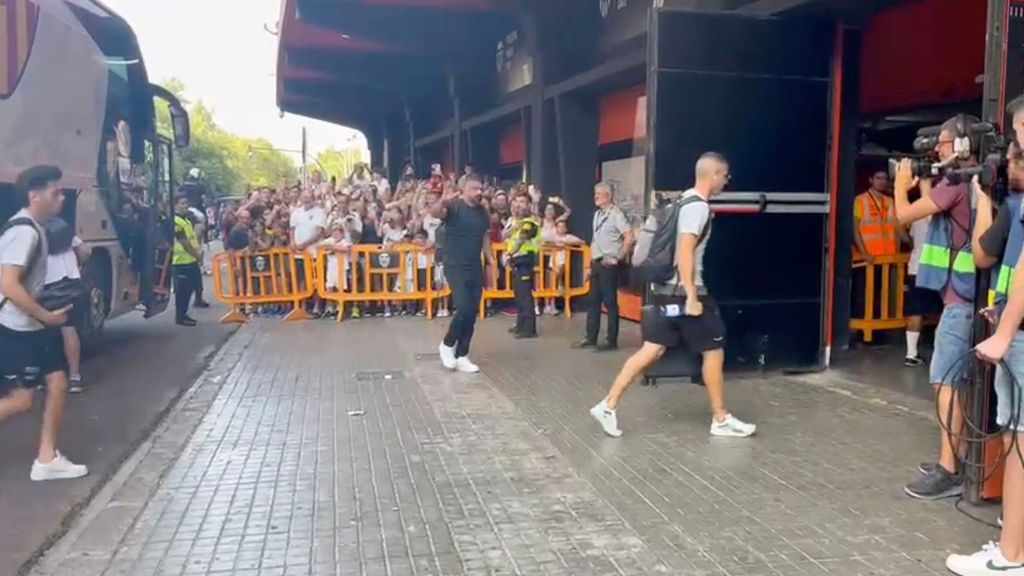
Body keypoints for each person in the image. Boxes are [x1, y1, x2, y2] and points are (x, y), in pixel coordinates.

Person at [590, 153, 756, 439]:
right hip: (684, 294)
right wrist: (691, 295)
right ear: (715, 175)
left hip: (664, 292)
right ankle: (720, 419)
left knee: (652, 350)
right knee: (714, 349)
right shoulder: (698, 207)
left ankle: (608, 405)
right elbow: (685, 251)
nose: (726, 182)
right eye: (725, 176)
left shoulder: (681, 201)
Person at [947, 138, 1024, 575]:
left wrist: (1007, 330)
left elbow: (982, 254)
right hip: (1013, 326)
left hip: (1018, 338)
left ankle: (1011, 557)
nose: (1010, 161)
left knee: (1019, 441)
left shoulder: (1014, 206)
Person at [893, 114, 979, 500]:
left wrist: (901, 186)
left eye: (943, 143)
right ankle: (957, 459)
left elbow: (904, 215)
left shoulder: (957, 183)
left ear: (962, 145)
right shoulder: (971, 182)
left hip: (960, 300)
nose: (937, 150)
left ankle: (948, 471)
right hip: (964, 295)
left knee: (945, 383)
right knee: (955, 384)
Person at [0, 165, 87, 481]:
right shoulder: (23, 232)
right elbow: (8, 284)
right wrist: (45, 315)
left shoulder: (37, 227)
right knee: (22, 400)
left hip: (33, 326)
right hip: (16, 329)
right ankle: (47, 459)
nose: (62, 198)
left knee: (58, 383)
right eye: (56, 192)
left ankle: (47, 459)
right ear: (34, 195)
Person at [432, 174, 495, 373]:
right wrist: (443, 199)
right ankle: (447, 344)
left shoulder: (482, 212)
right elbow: (435, 213)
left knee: (472, 312)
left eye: (481, 188)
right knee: (464, 307)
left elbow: (485, 237)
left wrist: (491, 260)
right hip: (454, 265)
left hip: (475, 265)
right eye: (475, 189)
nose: (479, 192)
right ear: (464, 190)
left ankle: (462, 354)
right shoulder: (454, 207)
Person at [574, 181, 634, 351]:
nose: (596, 197)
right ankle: (590, 337)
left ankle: (611, 340)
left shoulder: (616, 214)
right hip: (596, 263)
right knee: (593, 301)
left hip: (609, 264)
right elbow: (595, 240)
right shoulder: (597, 215)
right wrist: (589, 265)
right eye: (595, 194)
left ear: (608, 195)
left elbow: (629, 237)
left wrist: (619, 257)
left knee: (609, 302)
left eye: (599, 194)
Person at [43, 220, 91, 393]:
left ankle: (46, 376)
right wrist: (79, 264)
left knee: (45, 331)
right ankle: (74, 376)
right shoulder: (63, 229)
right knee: (69, 330)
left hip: (47, 285)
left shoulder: (33, 231)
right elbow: (85, 251)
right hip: (71, 283)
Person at [505, 192, 541, 338]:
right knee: (519, 295)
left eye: (522, 202)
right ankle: (520, 324)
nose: (519, 205)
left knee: (525, 296)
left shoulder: (530, 223)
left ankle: (529, 329)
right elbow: (504, 235)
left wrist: (509, 254)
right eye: (517, 201)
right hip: (517, 262)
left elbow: (521, 239)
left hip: (525, 261)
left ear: (528, 205)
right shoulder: (517, 222)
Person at [289, 189, 327, 316]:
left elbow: (319, 232)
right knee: (301, 280)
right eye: (304, 197)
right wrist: (293, 242)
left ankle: (317, 306)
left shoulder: (320, 212)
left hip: (314, 253)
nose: (307, 199)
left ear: (313, 198)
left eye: (309, 197)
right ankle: (303, 306)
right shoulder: (296, 213)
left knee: (316, 280)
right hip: (299, 254)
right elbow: (292, 230)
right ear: (301, 198)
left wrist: (304, 244)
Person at [172, 194, 203, 326]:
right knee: (182, 292)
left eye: (186, 203)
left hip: (190, 260)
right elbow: (184, 242)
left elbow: (192, 239)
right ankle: (180, 316)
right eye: (182, 203)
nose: (186, 206)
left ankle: (184, 314)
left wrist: (198, 252)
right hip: (180, 262)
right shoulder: (175, 221)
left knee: (190, 289)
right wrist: (197, 255)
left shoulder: (187, 221)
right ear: (175, 205)